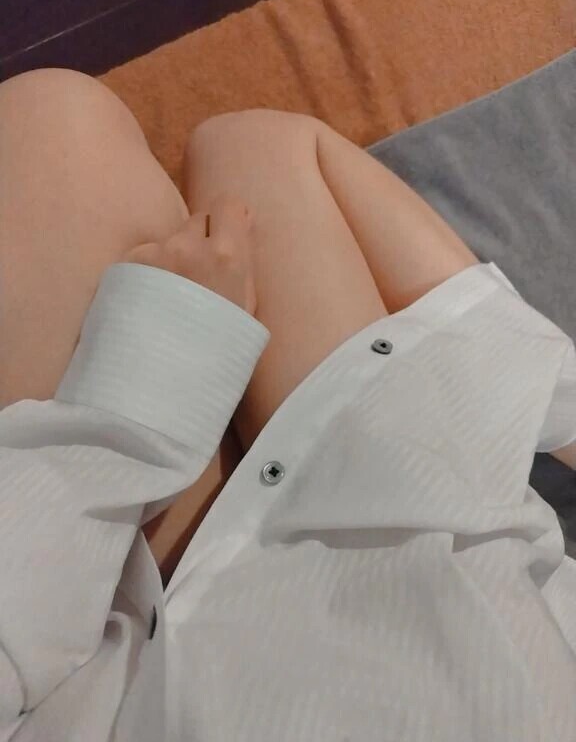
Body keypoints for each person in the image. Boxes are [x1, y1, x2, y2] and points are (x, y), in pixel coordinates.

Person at [1, 68, 575, 742]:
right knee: (250, 149)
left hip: (121, 645)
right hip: (408, 497)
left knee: (56, 124)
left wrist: (154, 375)